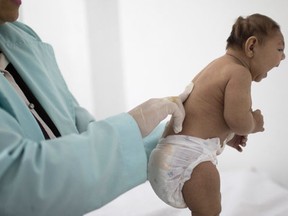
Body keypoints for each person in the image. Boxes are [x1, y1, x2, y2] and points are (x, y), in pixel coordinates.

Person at [0, 0, 193, 215]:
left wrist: (184, 133)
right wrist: (134, 125)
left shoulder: (22, 39)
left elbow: (80, 135)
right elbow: (15, 182)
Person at [148, 13, 285, 216]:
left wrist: (227, 137)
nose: (283, 57)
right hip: (187, 158)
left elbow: (204, 115)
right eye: (280, 49)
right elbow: (238, 120)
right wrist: (253, 123)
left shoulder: (217, 66)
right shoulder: (240, 72)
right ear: (252, 46)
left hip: (166, 156)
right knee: (210, 210)